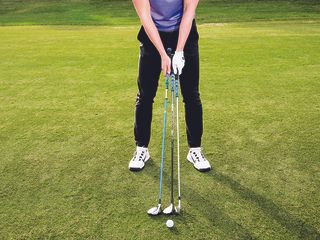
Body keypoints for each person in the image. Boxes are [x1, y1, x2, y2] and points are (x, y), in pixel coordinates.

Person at [128, 0, 211, 172]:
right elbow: (145, 17)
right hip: (152, 36)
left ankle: (195, 149)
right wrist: (163, 55)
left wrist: (179, 51)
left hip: (185, 35)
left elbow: (189, 12)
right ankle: (141, 149)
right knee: (145, 95)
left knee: (191, 94)